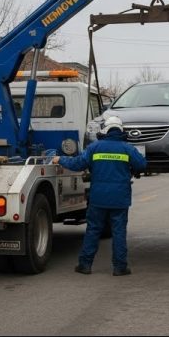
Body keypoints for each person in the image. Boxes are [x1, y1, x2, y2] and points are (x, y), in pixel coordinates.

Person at [53, 115, 147, 276]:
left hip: (98, 198)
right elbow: (142, 165)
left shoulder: (95, 147)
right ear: (121, 130)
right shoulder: (128, 148)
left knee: (93, 231)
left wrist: (59, 159)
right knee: (119, 233)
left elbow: (77, 164)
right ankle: (120, 267)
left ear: (105, 129)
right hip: (120, 199)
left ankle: (85, 265)